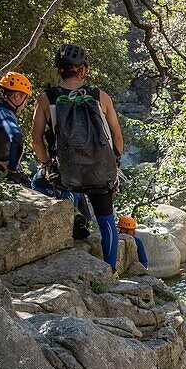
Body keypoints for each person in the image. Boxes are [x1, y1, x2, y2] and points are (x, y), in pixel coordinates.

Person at [31, 43, 125, 269]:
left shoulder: (46, 98)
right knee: (107, 222)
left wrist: (46, 165)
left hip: (65, 172)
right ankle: (110, 272)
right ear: (83, 69)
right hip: (100, 170)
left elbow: (36, 141)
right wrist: (114, 164)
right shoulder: (100, 97)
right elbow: (118, 139)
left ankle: (68, 239)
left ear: (59, 70)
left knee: (37, 184)